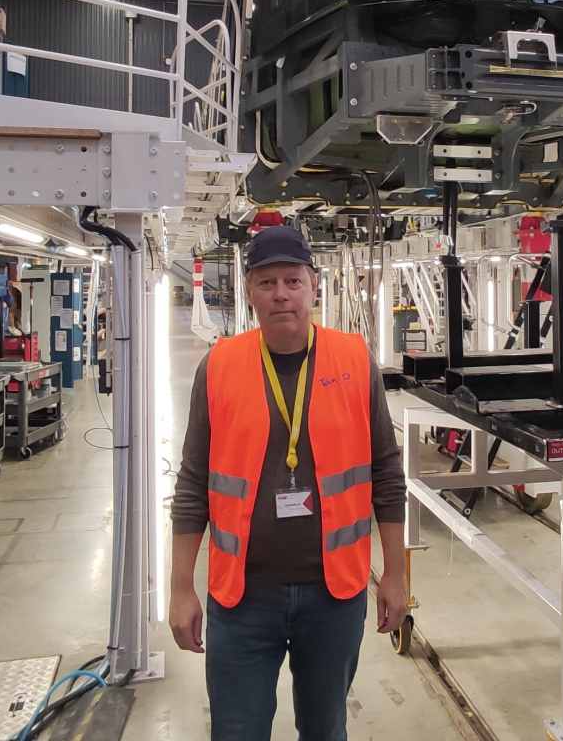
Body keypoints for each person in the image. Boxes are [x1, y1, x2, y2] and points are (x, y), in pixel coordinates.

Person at [169, 224, 408, 741]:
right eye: (267, 282)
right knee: (237, 731)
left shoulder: (353, 359)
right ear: (249, 291)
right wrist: (180, 587)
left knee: (325, 730)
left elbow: (387, 473)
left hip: (334, 594)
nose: (281, 294)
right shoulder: (219, 366)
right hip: (242, 597)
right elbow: (192, 485)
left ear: (313, 286)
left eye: (293, 281)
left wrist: (396, 574)